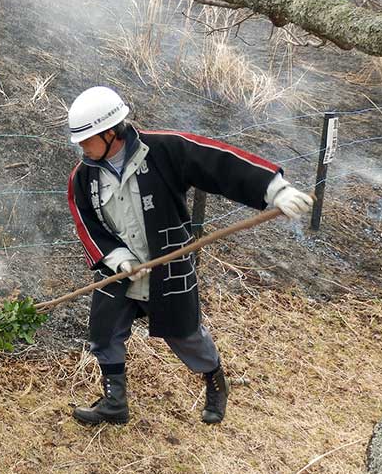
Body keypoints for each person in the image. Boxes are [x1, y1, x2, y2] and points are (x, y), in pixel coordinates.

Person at [66, 86, 313, 426]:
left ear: (110, 132)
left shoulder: (165, 150)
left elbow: (219, 163)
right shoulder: (84, 177)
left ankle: (215, 382)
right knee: (104, 333)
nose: (82, 147)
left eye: (87, 139)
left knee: (184, 334)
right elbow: (87, 224)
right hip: (120, 270)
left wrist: (275, 190)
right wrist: (118, 258)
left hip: (168, 264)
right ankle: (114, 402)